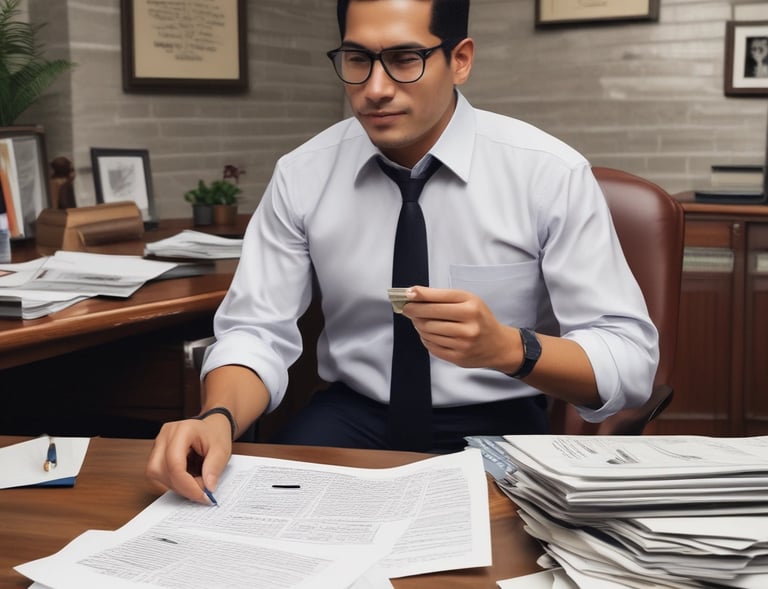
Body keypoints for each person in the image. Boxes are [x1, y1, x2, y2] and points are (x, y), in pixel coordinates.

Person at [147, 0, 658, 503]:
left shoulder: (548, 174)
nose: (374, 89)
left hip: (498, 424)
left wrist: (507, 347)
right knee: (239, 524)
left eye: (405, 60)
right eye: (357, 60)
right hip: (352, 417)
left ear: (460, 60)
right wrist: (217, 417)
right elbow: (256, 332)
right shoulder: (303, 175)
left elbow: (629, 362)